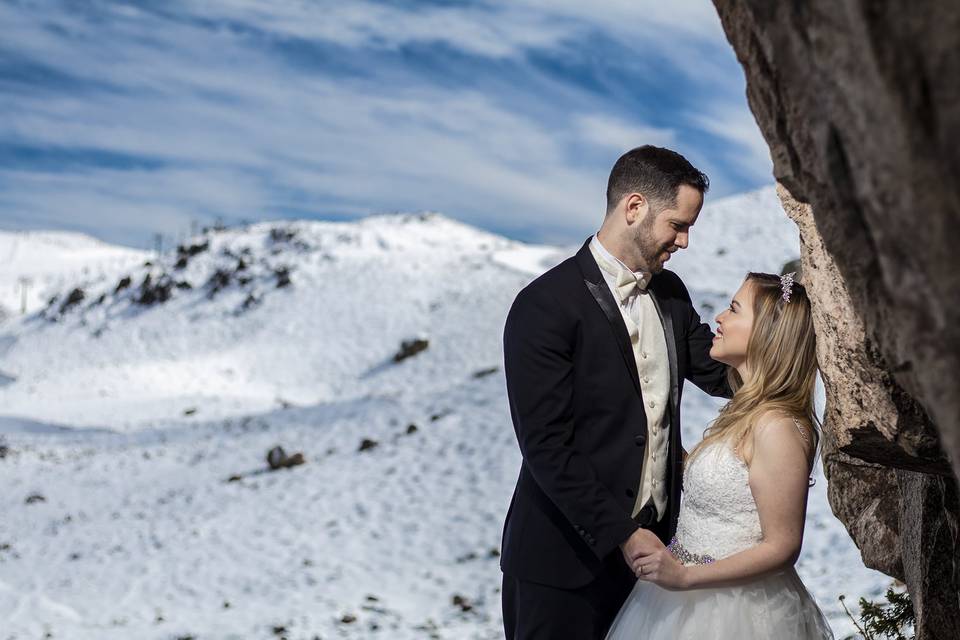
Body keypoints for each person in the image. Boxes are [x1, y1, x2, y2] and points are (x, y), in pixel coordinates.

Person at [500, 145, 731, 639]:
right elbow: (546, 447)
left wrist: (792, 342)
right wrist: (623, 534)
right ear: (634, 208)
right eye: (678, 224)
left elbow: (719, 374)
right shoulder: (543, 305)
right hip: (560, 570)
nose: (685, 241)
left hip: (653, 565)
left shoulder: (671, 295)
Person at [604, 272, 834, 639]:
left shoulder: (779, 427)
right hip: (676, 598)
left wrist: (686, 577)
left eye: (734, 309)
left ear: (768, 334)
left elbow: (783, 545)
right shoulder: (748, 412)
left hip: (734, 611)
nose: (720, 319)